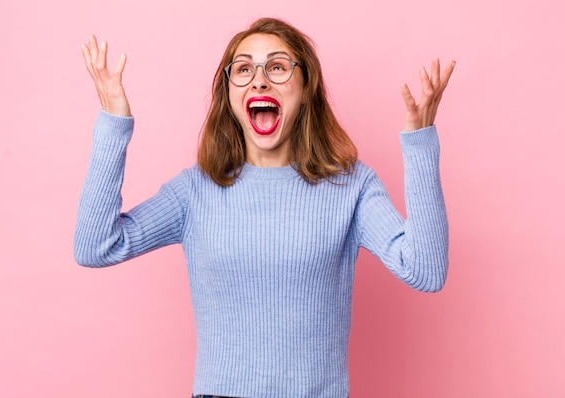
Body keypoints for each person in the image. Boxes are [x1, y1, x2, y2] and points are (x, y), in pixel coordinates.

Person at [74, 17, 455, 398]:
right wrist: (113, 123)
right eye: (243, 69)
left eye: (276, 66)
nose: (259, 79)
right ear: (229, 95)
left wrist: (419, 144)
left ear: (306, 88)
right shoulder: (194, 191)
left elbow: (426, 269)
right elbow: (96, 246)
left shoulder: (351, 186)